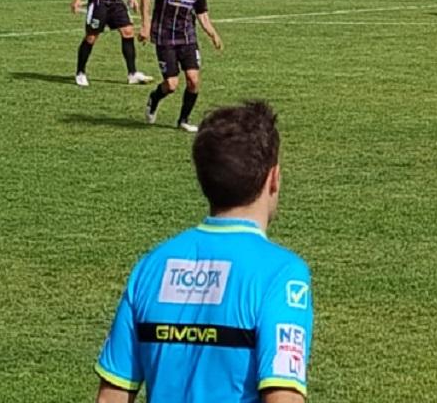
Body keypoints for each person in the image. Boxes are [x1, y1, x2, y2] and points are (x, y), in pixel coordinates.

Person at [93, 101, 313, 403]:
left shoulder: (152, 266)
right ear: (273, 178)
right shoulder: (281, 275)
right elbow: (283, 397)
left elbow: (111, 397)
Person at [141, 0, 224, 133]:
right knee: (171, 85)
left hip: (187, 37)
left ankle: (183, 120)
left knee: (194, 80)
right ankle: (154, 98)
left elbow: (202, 13)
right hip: (165, 37)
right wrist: (145, 25)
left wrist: (213, 34)